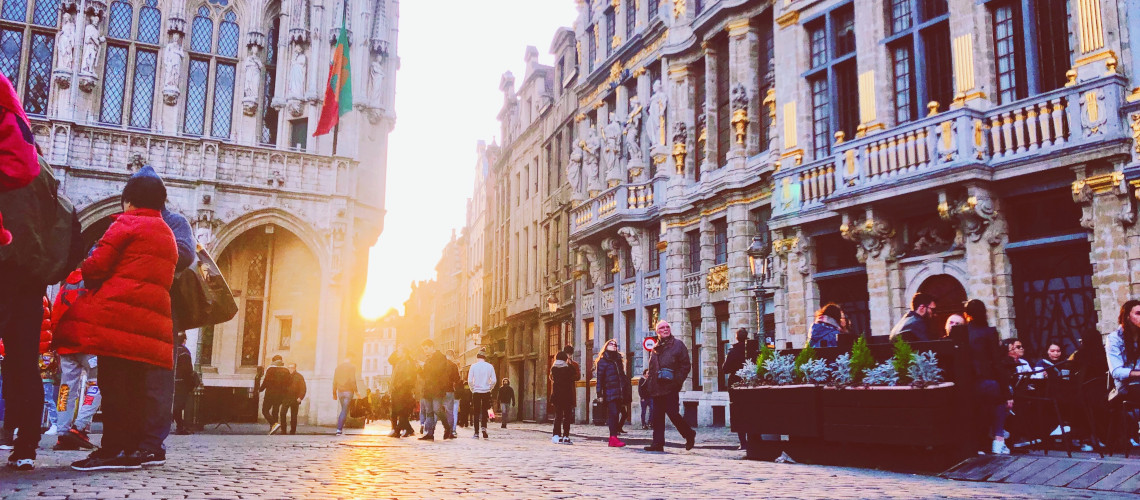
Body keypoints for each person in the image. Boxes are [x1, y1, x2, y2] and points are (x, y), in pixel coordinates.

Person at [65, 171, 178, 471]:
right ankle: (130, 449)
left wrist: (85, 267)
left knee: (113, 385)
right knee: (135, 390)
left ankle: (112, 449)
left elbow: (97, 265)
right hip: (151, 325)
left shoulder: (126, 223)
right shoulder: (166, 232)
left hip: (118, 320)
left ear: (129, 201)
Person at [961, 299, 1011, 455]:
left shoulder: (963, 333)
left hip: (968, 382)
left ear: (966, 315)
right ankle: (998, 439)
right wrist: (1007, 392)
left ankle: (982, 444)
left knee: (980, 409)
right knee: (1000, 399)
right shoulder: (989, 332)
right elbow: (996, 362)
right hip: (986, 380)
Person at [644, 320, 696, 452]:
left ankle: (689, 434)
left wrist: (677, 382)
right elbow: (652, 369)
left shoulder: (678, 345)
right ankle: (657, 443)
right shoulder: (655, 348)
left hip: (670, 387)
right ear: (658, 332)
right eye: (662, 328)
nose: (665, 329)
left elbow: (685, 366)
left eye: (667, 327)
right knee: (657, 417)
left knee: (673, 414)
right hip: (656, 388)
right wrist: (649, 385)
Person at [595, 339, 629, 448]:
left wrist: (626, 390)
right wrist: (599, 394)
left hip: (619, 392)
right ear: (606, 346)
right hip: (609, 391)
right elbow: (599, 378)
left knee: (617, 414)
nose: (614, 346)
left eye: (615, 345)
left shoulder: (618, 360)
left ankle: (613, 438)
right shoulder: (603, 361)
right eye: (611, 344)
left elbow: (622, 377)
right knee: (613, 414)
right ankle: (613, 438)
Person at [720, 328, 749, 449]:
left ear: (737, 337)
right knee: (750, 410)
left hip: (736, 383)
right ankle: (754, 438)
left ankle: (743, 442)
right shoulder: (750, 349)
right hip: (750, 381)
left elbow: (725, 369)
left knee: (738, 412)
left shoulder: (734, 351)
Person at [418, 339, 453, 441]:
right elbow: (425, 375)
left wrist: (425, 365)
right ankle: (430, 433)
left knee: (437, 409)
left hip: (437, 388)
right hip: (428, 389)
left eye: (426, 349)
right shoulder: (428, 359)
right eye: (424, 349)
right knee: (429, 411)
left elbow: (437, 371)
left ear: (432, 347)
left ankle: (447, 427)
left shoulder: (440, 357)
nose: (425, 351)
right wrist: (420, 369)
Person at [550, 351, 579, 444]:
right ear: (565, 359)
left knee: (558, 416)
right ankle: (566, 436)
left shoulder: (554, 368)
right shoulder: (567, 369)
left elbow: (552, 378)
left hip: (557, 396)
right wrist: (570, 364)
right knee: (567, 417)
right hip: (567, 395)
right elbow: (574, 375)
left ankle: (556, 435)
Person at [172, 332, 198, 435]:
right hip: (181, 383)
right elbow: (187, 370)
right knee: (180, 405)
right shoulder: (184, 352)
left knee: (174, 405)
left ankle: (179, 425)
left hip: (171, 381)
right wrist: (191, 383)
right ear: (184, 340)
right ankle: (181, 426)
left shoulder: (172, 350)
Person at [259, 355, 291, 435]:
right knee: (275, 411)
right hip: (281, 395)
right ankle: (273, 428)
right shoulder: (286, 370)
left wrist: (260, 389)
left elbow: (266, 381)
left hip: (270, 394)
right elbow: (289, 383)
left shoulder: (271, 369)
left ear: (273, 360)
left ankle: (273, 424)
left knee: (265, 410)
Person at [467, 351, 496, 439]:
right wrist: (489, 388)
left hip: (476, 392)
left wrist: (473, 388)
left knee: (476, 412)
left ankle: (476, 433)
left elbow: (470, 381)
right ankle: (484, 428)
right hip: (486, 391)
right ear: (485, 357)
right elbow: (494, 380)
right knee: (484, 411)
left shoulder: (473, 366)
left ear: (477, 357)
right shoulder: (490, 366)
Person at [388, 347, 416, 437]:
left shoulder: (406, 362)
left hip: (402, 390)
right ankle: (407, 429)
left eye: (399, 351)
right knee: (398, 411)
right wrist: (397, 350)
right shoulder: (399, 361)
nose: (397, 354)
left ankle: (397, 430)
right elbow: (390, 359)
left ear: (404, 353)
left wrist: (399, 385)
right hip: (397, 389)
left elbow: (407, 377)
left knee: (401, 411)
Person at [332, 358, 358, 436]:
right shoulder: (352, 367)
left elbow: (334, 381)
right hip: (348, 391)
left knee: (344, 409)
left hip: (340, 392)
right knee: (344, 410)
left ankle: (341, 428)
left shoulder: (338, 368)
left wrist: (334, 393)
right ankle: (339, 429)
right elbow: (353, 380)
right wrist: (356, 391)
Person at [283, 363, 306, 435]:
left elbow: (303, 388)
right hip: (286, 398)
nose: (290, 369)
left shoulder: (299, 376)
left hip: (295, 398)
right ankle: (283, 430)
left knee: (294, 415)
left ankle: (293, 431)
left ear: (295, 368)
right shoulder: (285, 376)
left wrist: (300, 397)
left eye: (292, 367)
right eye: (289, 367)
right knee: (282, 413)